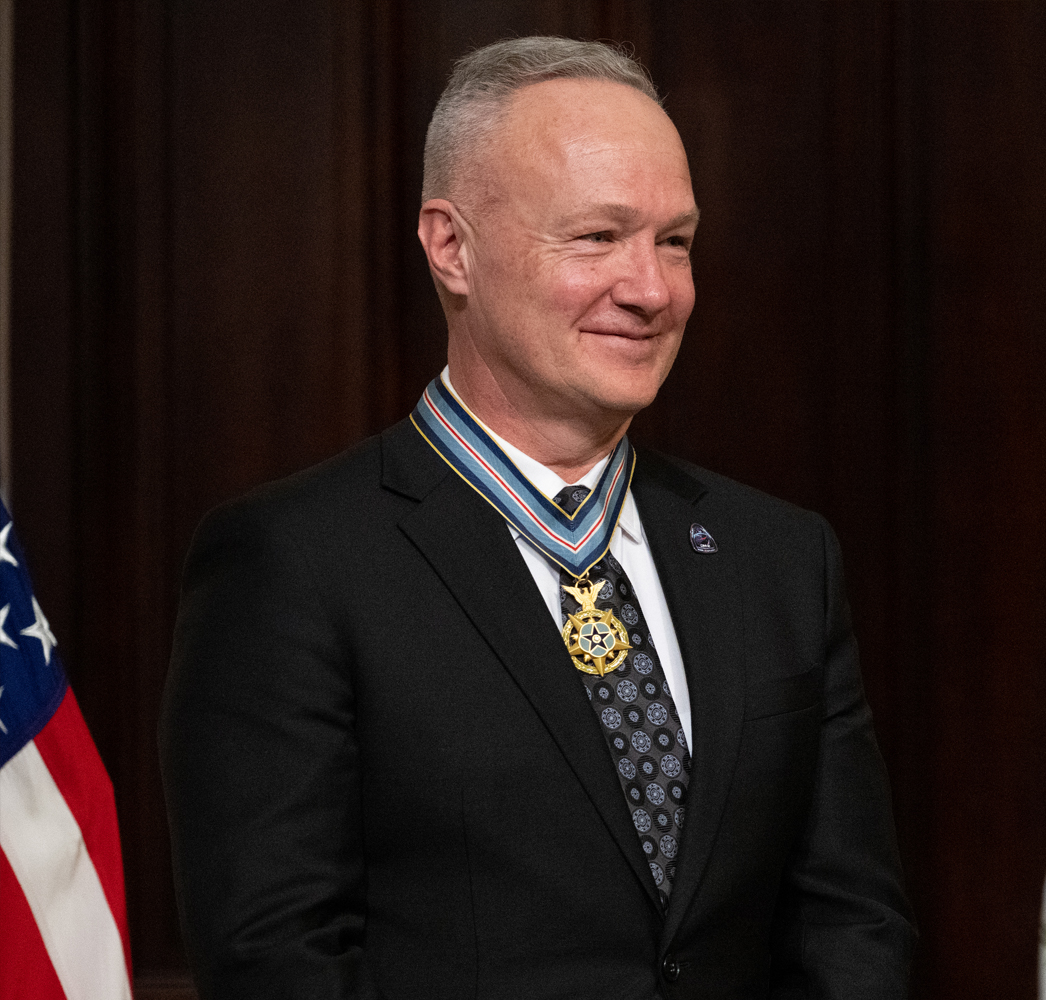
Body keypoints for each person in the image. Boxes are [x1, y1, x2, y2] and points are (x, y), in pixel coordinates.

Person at [161, 37, 913, 998]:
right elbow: (280, 961)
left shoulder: (779, 558)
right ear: (451, 247)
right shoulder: (294, 564)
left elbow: (852, 924)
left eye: (674, 241)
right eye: (597, 237)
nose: (649, 289)